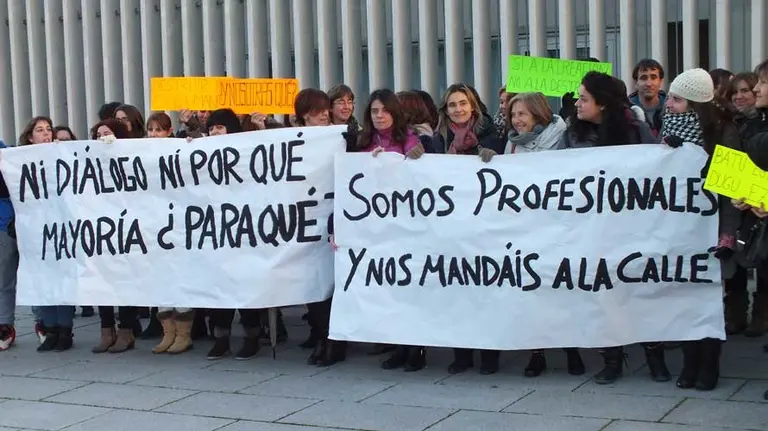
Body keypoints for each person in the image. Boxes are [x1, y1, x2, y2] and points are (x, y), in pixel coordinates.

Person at [559, 72, 657, 384]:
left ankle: (654, 355)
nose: (577, 103)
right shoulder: (573, 134)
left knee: (640, 290)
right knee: (602, 294)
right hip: (591, 231)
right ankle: (612, 358)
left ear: (602, 103)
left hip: (631, 227)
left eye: (584, 98)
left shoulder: (635, 130)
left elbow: (659, 172)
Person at [663, 68, 740, 391]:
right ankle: (689, 363)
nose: (669, 104)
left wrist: (728, 235)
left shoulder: (725, 133)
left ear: (695, 105)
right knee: (683, 298)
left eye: (677, 99)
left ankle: (709, 366)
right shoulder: (668, 132)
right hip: (680, 230)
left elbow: (732, 189)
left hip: (713, 229)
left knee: (708, 299)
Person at [429, 83, 504, 374]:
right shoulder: (438, 140)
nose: (458, 109)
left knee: (485, 291)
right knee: (457, 292)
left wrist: (493, 157)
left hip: (485, 227)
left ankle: (489, 355)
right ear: (445, 110)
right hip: (452, 228)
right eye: (452, 105)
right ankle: (461, 353)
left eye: (462, 103)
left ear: (473, 105)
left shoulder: (492, 137)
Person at [0, 138, 17, 352]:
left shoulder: (8, 154)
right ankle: (5, 324)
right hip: (4, 224)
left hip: (21, 222)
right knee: (4, 278)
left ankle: (43, 323)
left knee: (34, 274)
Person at [629, 59, 667, 136]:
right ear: (636, 83)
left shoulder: (672, 110)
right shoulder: (627, 111)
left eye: (653, 77)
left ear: (661, 82)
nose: (649, 83)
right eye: (643, 78)